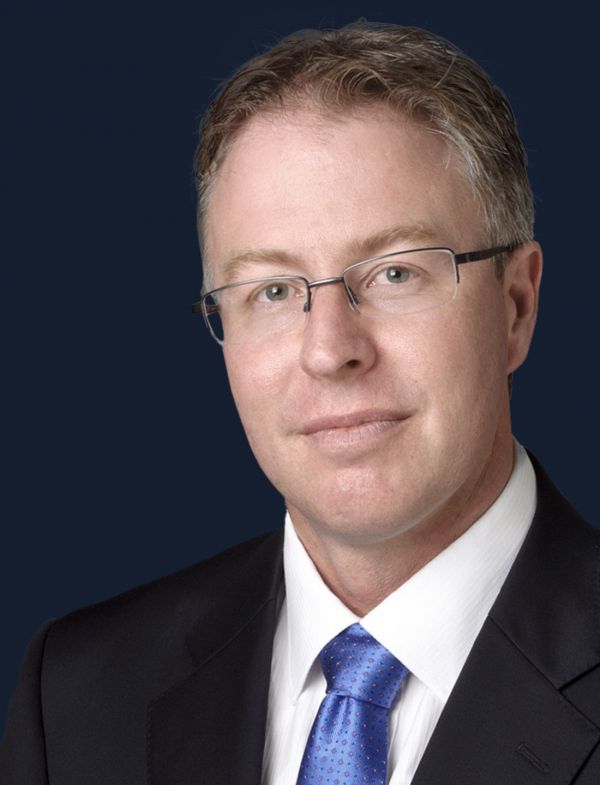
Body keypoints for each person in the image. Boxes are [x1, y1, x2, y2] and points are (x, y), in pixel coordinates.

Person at [2, 20, 599, 785]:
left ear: (516, 306)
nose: (329, 350)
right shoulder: (76, 696)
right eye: (274, 291)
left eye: (395, 273)